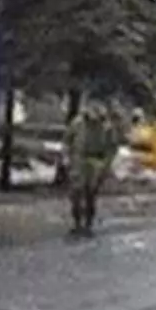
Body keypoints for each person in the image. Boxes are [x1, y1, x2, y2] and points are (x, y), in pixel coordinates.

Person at [65, 100, 116, 236]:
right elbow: (67, 140)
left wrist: (106, 164)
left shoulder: (106, 127)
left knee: (90, 194)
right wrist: (66, 157)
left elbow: (112, 147)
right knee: (76, 193)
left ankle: (88, 224)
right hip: (78, 159)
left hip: (96, 160)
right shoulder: (77, 123)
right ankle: (77, 223)